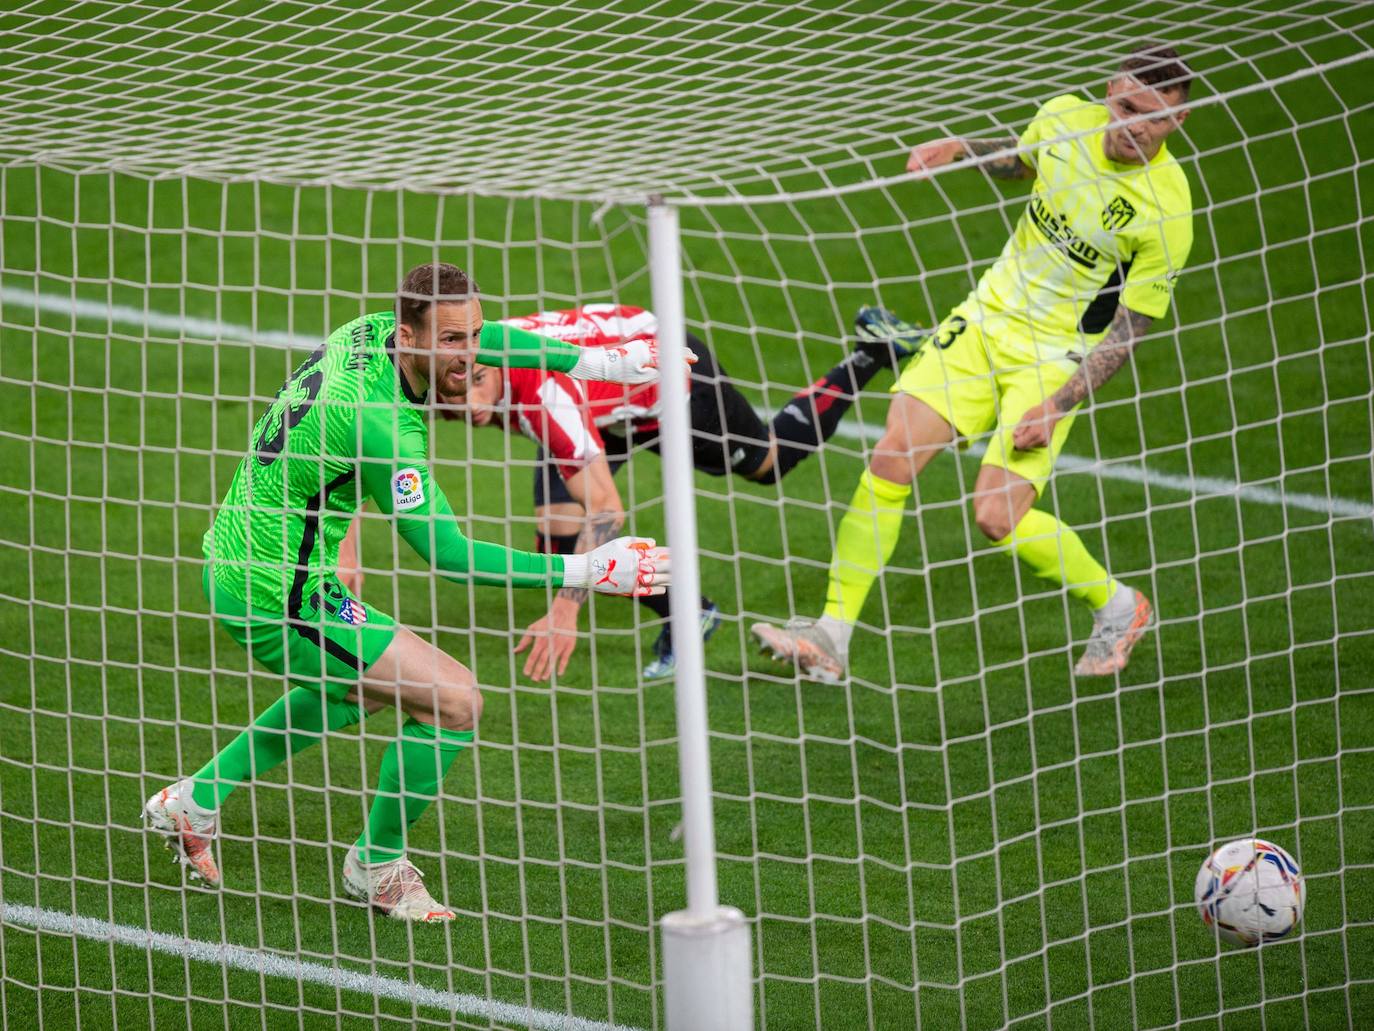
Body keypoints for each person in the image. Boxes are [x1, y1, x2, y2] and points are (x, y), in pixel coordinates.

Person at [145, 263, 670, 922]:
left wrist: (598, 362)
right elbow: (449, 554)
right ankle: (377, 868)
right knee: (454, 701)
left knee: (369, 687)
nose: (469, 355)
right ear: (410, 335)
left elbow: (483, 338)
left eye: (472, 334)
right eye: (451, 340)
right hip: (274, 594)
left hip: (257, 560)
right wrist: (586, 570)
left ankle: (192, 802)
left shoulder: (369, 332)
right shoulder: (384, 426)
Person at [752, 44, 1194, 682]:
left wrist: (1058, 403)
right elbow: (1023, 159)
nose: (1133, 127)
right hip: (984, 321)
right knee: (891, 458)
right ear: (1108, 93)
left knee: (995, 517)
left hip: (1052, 356)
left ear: (1178, 120)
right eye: (1125, 108)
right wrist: (961, 148)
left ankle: (1119, 606)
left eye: (1152, 118)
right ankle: (830, 637)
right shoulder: (1065, 116)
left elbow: (1127, 331)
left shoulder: (1168, 209)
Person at [345, 303, 916, 681]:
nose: (469, 406)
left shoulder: (543, 396)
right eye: (458, 390)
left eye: (478, 384)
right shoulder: (451, 359)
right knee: (557, 539)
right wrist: (346, 548)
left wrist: (564, 610)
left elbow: (608, 511)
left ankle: (868, 354)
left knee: (768, 462)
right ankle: (691, 613)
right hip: (602, 404)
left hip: (667, 382)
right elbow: (370, 437)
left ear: (493, 365)